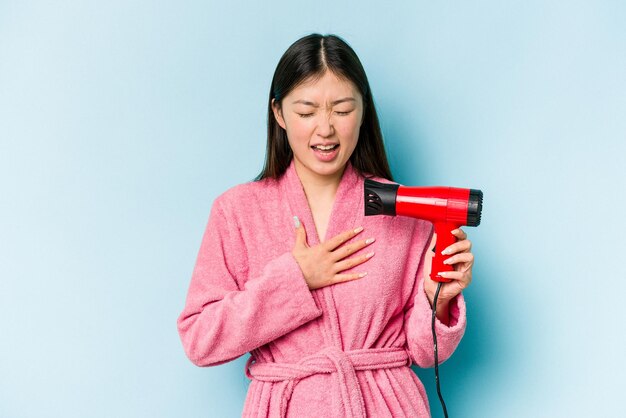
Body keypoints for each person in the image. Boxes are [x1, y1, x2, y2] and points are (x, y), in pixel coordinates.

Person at [177, 33, 475, 417]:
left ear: (363, 110)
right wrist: (294, 280)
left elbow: (423, 350)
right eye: (306, 111)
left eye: (342, 109)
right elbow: (201, 340)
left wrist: (438, 295)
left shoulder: (404, 210)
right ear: (279, 114)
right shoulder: (237, 211)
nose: (325, 129)